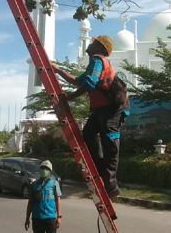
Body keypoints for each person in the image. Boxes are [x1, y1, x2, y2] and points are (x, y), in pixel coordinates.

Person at [51, 35, 126, 198]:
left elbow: (90, 82)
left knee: (109, 141)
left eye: (93, 43)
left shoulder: (98, 60)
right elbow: (79, 81)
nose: (89, 45)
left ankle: (111, 184)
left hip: (111, 109)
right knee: (88, 135)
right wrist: (58, 70)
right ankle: (99, 170)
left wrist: (69, 98)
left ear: (100, 48)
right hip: (101, 109)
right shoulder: (95, 63)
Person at [25, 160, 62, 233]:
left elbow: (58, 200)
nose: (44, 170)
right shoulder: (34, 184)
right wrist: (27, 219)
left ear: (50, 171)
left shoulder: (54, 183)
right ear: (39, 169)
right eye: (42, 168)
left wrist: (59, 217)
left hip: (50, 218)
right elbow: (30, 203)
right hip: (37, 218)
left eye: (46, 168)